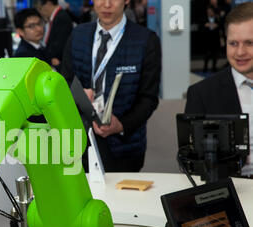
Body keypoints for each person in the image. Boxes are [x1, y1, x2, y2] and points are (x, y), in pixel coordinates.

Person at [61, 0, 162, 172]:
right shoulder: (77, 35)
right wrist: (76, 96)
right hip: (80, 141)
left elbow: (149, 98)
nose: (106, 4)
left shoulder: (145, 40)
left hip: (124, 146)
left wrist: (121, 124)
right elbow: (64, 82)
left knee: (123, 196)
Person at [185, 2, 253, 177]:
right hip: (233, 186)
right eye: (233, 43)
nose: (240, 52)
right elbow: (190, 160)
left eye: (249, 43)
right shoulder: (202, 94)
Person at [34, 0, 74, 69]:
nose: (40, 12)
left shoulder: (61, 18)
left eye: (40, 8)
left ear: (48, 3)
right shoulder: (54, 18)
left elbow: (59, 46)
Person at [202, 5, 222, 72]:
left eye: (210, 11)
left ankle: (214, 67)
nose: (209, 13)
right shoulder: (204, 18)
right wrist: (206, 25)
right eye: (208, 12)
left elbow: (221, 26)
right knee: (207, 54)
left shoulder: (217, 18)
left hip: (215, 39)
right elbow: (201, 27)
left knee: (215, 54)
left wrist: (217, 25)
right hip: (207, 39)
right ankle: (205, 68)